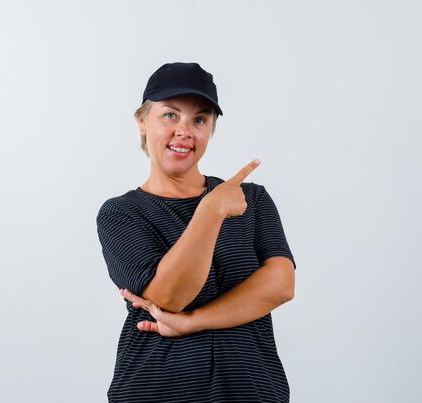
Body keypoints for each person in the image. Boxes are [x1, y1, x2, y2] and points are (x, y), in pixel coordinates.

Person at [96, 62, 296, 403]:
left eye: (199, 120)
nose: (184, 131)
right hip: (157, 389)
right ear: (143, 122)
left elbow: (280, 285)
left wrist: (192, 322)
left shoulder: (252, 199)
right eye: (170, 115)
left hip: (251, 387)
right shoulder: (120, 213)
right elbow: (171, 296)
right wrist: (209, 211)